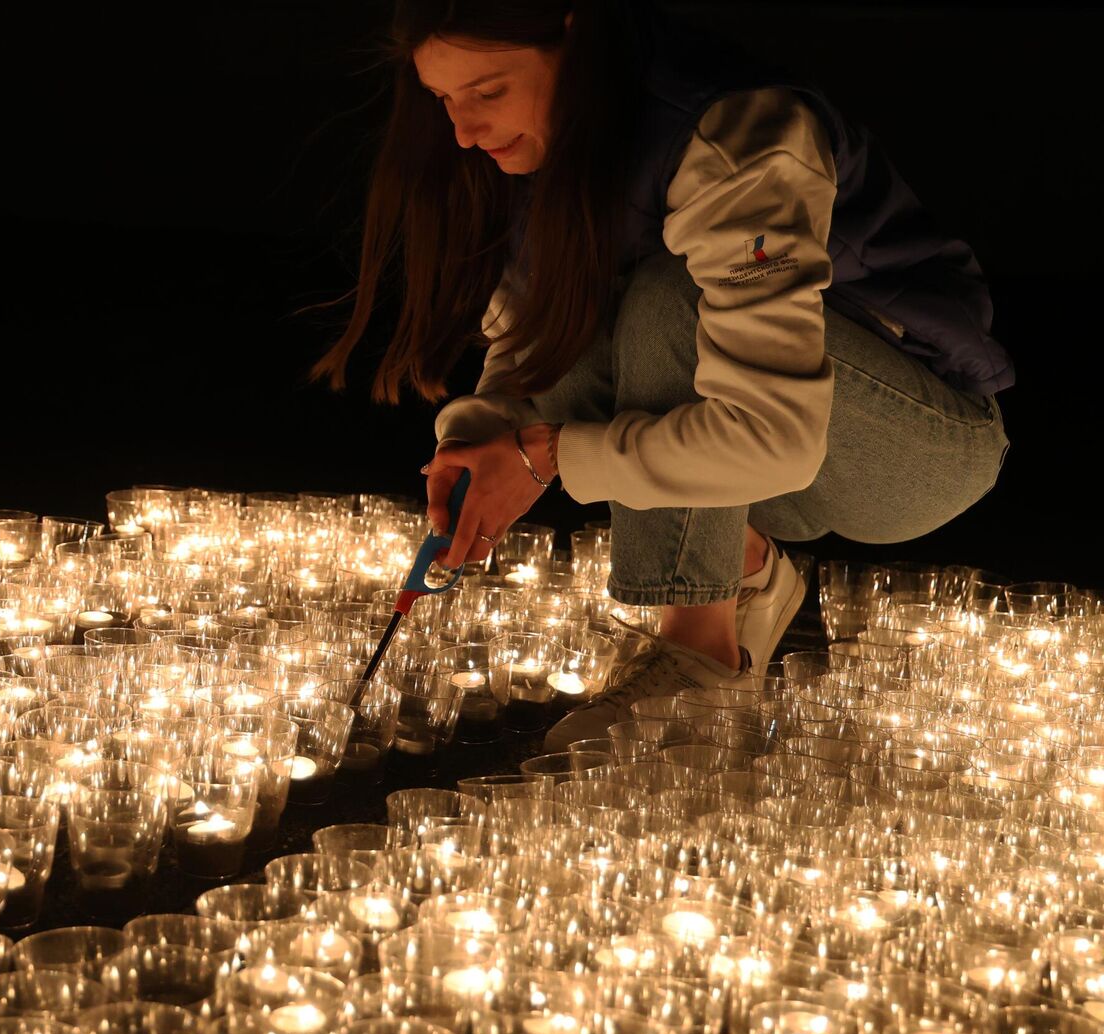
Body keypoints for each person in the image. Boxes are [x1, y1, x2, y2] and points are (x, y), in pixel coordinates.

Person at [311, 0, 1011, 749]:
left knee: (667, 301)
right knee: (588, 316)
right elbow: (531, 338)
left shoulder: (739, 136)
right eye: (443, 100)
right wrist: (484, 439)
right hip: (778, 471)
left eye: (487, 92)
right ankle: (743, 566)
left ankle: (700, 646)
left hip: (914, 452)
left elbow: (775, 438)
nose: (463, 131)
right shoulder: (553, 144)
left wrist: (543, 456)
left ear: (577, 38)